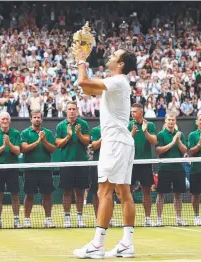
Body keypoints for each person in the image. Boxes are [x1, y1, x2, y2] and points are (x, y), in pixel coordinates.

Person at [73, 48, 137, 258]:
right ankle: (127, 244)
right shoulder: (117, 83)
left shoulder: (118, 81)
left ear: (120, 64)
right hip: (124, 142)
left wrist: (81, 60)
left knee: (104, 192)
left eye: (113, 56)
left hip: (115, 143)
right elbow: (88, 90)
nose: (109, 57)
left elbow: (84, 82)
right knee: (123, 193)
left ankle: (97, 245)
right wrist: (82, 71)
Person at [55, 101, 90, 228]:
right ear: (66, 111)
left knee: (80, 192)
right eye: (69, 109)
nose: (71, 111)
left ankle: (80, 218)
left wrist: (78, 133)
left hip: (81, 163)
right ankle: (67, 218)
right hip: (66, 163)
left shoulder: (83, 124)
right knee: (67, 192)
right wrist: (68, 136)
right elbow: (58, 144)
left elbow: (87, 141)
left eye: (73, 109)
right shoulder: (60, 126)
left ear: (77, 110)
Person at [21, 110, 56, 228]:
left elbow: (52, 149)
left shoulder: (48, 133)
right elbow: (24, 148)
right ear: (31, 119)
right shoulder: (25, 133)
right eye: (34, 117)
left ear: (42, 119)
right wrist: (38, 141)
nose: (37, 119)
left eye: (39, 117)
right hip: (30, 169)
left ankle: (48, 219)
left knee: (47, 194)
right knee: (29, 194)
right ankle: (26, 219)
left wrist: (44, 140)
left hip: (45, 169)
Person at [155, 113, 188, 226]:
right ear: (165, 120)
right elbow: (159, 151)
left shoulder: (180, 135)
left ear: (175, 121)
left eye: (173, 120)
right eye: (169, 120)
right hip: (165, 168)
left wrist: (178, 141)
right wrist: (172, 142)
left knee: (178, 195)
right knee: (161, 194)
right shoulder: (160, 134)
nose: (171, 122)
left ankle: (179, 219)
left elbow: (184, 151)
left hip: (178, 168)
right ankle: (159, 219)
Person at [0, 111, 22, 229]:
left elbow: (17, 151)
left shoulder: (16, 133)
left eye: (6, 119)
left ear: (9, 121)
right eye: (2, 119)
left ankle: (16, 221)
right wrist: (4, 146)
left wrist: (9, 144)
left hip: (12, 168)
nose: (4, 121)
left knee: (15, 195)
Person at [128, 103, 157, 227]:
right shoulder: (128, 124)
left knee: (147, 192)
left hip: (145, 163)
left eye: (134, 111)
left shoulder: (149, 125)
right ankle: (128, 219)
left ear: (141, 112)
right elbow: (123, 142)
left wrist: (145, 132)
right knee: (128, 192)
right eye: (132, 111)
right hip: (131, 163)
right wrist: (132, 133)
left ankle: (148, 218)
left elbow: (154, 141)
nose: (132, 113)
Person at [89, 125, 117, 227]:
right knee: (97, 193)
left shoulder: (115, 129)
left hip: (112, 164)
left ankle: (110, 218)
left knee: (110, 193)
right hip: (98, 165)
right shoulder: (96, 130)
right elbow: (95, 146)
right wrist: (104, 136)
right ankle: (98, 219)